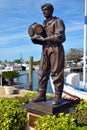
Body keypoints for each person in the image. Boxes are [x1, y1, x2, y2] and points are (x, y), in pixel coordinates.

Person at [30, 3, 66, 105]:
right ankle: (41, 94)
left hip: (56, 49)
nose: (44, 12)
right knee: (42, 72)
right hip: (45, 49)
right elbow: (42, 39)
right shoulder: (43, 25)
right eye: (43, 10)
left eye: (46, 9)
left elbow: (60, 36)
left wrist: (45, 39)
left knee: (56, 73)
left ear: (51, 10)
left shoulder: (58, 21)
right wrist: (36, 40)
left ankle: (58, 96)